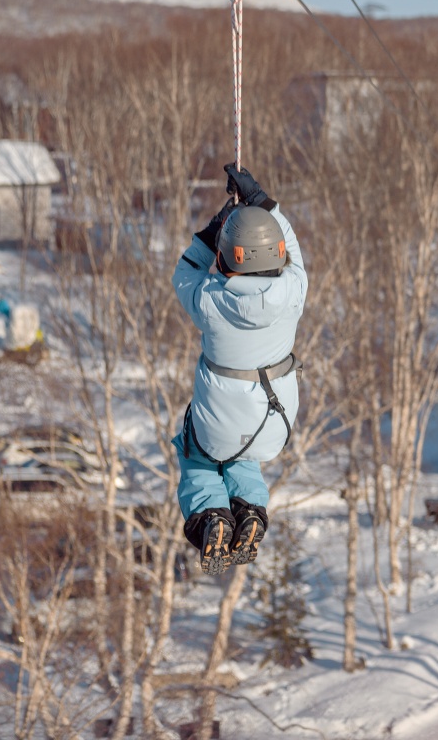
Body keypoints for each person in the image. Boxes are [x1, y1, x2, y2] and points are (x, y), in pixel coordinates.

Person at [171, 164, 307, 575]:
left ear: (229, 257)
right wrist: (262, 201)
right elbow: (293, 246)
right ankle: (249, 511)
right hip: (276, 426)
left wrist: (215, 229)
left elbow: (184, 273)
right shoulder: (294, 290)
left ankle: (212, 514)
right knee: (241, 450)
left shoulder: (211, 302)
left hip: (221, 426)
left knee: (198, 451)